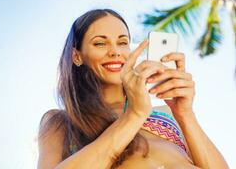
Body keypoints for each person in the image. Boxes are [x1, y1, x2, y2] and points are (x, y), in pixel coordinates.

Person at [37, 9, 229, 169]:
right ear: (77, 56)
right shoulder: (62, 121)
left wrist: (185, 114)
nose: (115, 51)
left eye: (122, 42)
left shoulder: (167, 114)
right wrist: (134, 114)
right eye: (100, 43)